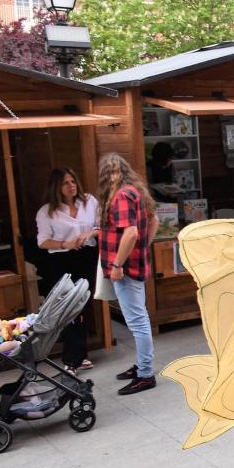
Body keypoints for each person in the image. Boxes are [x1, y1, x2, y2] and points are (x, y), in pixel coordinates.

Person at [98, 153, 158, 395]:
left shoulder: (121, 195)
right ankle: (143, 366)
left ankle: (145, 374)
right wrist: (142, 248)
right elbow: (153, 220)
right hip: (134, 264)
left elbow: (131, 233)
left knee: (137, 321)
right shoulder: (135, 190)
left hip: (126, 269)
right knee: (138, 318)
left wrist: (117, 264)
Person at [35, 168, 99, 373]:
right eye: (65, 183)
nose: (71, 186)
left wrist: (89, 232)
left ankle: (79, 355)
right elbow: (43, 242)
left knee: (83, 305)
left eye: (73, 181)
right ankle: (72, 358)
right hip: (63, 260)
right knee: (69, 307)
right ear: (56, 187)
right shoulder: (47, 211)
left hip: (88, 256)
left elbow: (102, 225)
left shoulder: (89, 201)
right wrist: (66, 244)